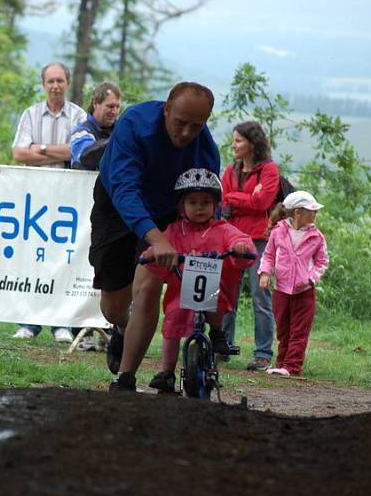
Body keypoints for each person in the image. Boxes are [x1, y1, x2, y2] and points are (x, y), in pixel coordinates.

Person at [88, 81, 220, 392]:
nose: (186, 133)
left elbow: (210, 201)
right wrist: (154, 238)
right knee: (114, 306)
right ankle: (122, 327)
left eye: (196, 126)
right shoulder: (134, 124)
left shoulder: (205, 150)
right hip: (119, 205)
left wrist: (213, 241)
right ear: (166, 110)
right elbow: (124, 188)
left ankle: (125, 378)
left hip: (167, 211)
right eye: (180, 123)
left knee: (147, 289)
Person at [141, 168, 255, 393]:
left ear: (216, 205)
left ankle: (217, 331)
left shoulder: (223, 230)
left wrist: (241, 248)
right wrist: (152, 253)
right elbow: (159, 245)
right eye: (192, 202)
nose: (199, 207)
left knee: (218, 300)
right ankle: (166, 371)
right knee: (173, 319)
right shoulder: (175, 230)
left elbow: (239, 239)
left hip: (213, 288)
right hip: (181, 287)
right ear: (181, 206)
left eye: (205, 202)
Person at [11, 62, 87, 342]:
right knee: (32, 258)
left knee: (63, 258)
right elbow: (18, 154)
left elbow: (78, 152)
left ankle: (61, 324)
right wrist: (60, 153)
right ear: (43, 84)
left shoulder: (79, 115)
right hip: (35, 198)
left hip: (68, 200)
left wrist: (39, 149)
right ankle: (28, 323)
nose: (55, 86)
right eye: (50, 81)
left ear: (67, 83)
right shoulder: (30, 114)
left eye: (60, 81)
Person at [220, 121, 279, 371]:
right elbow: (223, 202)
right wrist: (247, 198)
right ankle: (222, 347)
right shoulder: (230, 171)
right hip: (232, 239)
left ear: (252, 144)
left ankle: (263, 354)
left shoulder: (269, 171)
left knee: (260, 297)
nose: (233, 145)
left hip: (259, 241)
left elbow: (262, 201)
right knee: (226, 297)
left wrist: (237, 200)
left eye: (238, 141)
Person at [258, 191, 329, 376]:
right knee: (283, 330)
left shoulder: (317, 237)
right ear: (298, 212)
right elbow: (269, 255)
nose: (315, 214)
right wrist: (265, 273)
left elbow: (322, 262)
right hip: (280, 290)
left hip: (304, 292)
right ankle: (281, 364)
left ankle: (292, 367)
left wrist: (310, 278)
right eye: (312, 210)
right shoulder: (278, 232)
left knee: (299, 331)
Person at [70, 82, 122, 170]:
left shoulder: (121, 130)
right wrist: (119, 141)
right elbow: (86, 156)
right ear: (95, 103)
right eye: (110, 106)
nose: (114, 112)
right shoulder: (80, 131)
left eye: (117, 107)